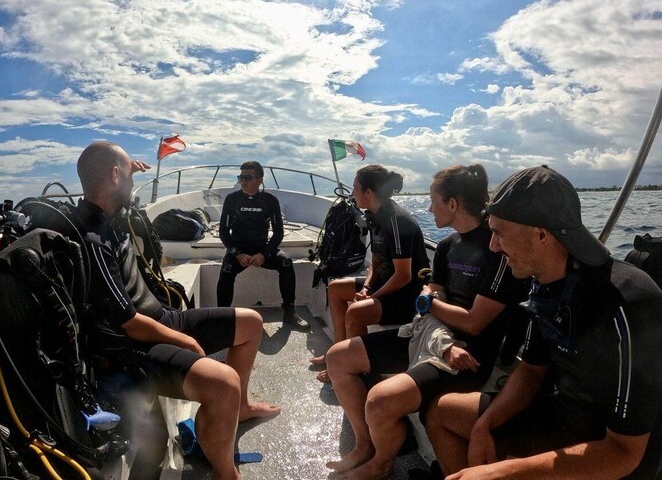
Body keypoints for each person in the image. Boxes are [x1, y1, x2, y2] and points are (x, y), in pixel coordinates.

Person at [426, 165, 662, 480]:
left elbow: (625, 453)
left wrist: (507, 471)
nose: (493, 246)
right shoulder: (545, 281)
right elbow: (531, 370)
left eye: (500, 232)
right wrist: (484, 425)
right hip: (563, 416)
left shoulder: (628, 305)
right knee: (443, 411)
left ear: (541, 234)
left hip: (613, 450)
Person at [74, 142, 280, 480]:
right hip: (135, 346)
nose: (132, 183)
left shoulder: (111, 217)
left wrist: (128, 168)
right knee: (222, 382)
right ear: (114, 176)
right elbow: (129, 323)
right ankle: (225, 473)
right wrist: (185, 342)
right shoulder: (93, 238)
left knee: (251, 323)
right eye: (126, 175)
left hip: (162, 318)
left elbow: (115, 188)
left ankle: (240, 408)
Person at [325, 164, 528, 478]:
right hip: (434, 337)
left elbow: (474, 323)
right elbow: (429, 296)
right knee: (338, 358)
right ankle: (364, 443)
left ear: (452, 204)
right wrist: (431, 303)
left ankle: (382, 464)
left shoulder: (496, 249)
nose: (429, 208)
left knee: (379, 401)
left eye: (434, 201)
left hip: (466, 355)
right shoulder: (447, 247)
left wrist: (431, 303)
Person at [310, 164, 430, 382]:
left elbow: (404, 276)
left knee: (356, 312)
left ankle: (356, 369)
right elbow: (375, 261)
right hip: (384, 285)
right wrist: (366, 287)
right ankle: (337, 351)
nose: (352, 192)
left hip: (405, 296)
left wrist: (372, 297)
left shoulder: (396, 220)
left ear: (368, 192)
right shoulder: (374, 217)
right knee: (336, 288)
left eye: (355, 187)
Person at [216, 161, 309, 330]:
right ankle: (222, 317)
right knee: (226, 272)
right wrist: (237, 254)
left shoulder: (270, 201)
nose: (243, 181)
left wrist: (264, 254)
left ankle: (289, 313)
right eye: (240, 177)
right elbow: (223, 232)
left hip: (261, 249)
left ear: (259, 180)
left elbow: (278, 232)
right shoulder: (232, 200)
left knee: (286, 263)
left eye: (247, 177)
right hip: (238, 251)